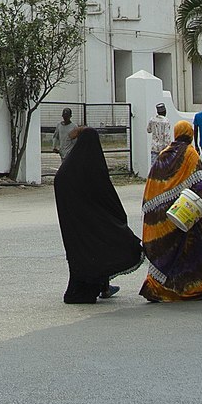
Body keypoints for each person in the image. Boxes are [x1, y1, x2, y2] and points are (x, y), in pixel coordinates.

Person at [54, 121, 144, 303]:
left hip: (74, 225)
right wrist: (118, 216)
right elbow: (107, 195)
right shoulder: (93, 167)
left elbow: (61, 186)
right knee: (101, 244)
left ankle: (101, 286)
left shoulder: (68, 168)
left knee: (85, 253)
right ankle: (98, 286)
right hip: (91, 221)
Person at [138, 118, 202, 303]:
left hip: (164, 218)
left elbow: (152, 188)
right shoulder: (190, 154)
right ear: (190, 135)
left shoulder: (163, 154)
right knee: (199, 252)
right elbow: (201, 187)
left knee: (170, 253)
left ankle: (159, 288)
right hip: (188, 213)